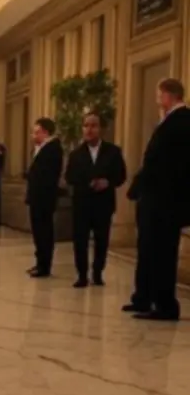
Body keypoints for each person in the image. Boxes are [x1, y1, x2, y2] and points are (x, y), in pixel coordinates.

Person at [134, 78, 190, 321]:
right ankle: (146, 298)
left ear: (169, 95)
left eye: (159, 95)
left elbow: (166, 163)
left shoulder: (182, 121)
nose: (158, 100)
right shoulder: (170, 120)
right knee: (150, 250)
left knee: (163, 253)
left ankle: (165, 305)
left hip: (166, 201)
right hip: (158, 198)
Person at [64, 112, 127, 288]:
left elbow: (121, 175)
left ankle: (98, 272)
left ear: (101, 129)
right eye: (86, 126)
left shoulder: (113, 152)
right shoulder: (76, 154)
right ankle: (82, 275)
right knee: (80, 240)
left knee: (101, 240)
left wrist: (108, 182)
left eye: (93, 125)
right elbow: (69, 177)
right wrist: (87, 183)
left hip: (103, 203)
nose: (89, 129)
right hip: (82, 203)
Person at [25, 117, 63, 278]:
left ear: (46, 132)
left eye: (36, 132)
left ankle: (44, 265)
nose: (33, 136)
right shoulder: (41, 148)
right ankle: (39, 262)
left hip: (44, 198)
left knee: (44, 231)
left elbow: (47, 175)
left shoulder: (52, 149)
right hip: (37, 197)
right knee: (38, 231)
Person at [123, 169, 152, 313]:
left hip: (152, 217)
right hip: (159, 216)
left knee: (147, 260)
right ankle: (144, 298)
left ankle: (144, 299)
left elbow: (132, 193)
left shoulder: (152, 167)